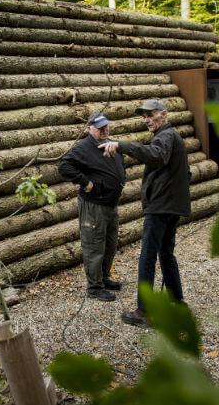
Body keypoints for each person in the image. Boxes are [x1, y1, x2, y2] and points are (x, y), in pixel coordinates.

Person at [99, 99, 190, 327]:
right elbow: (185, 172)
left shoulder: (166, 137)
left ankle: (144, 312)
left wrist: (121, 145)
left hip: (161, 207)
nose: (147, 120)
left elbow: (155, 155)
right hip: (169, 205)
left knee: (148, 256)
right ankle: (177, 302)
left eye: (151, 115)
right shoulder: (170, 137)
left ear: (164, 115)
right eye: (144, 116)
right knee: (166, 254)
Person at [58, 112, 126, 302]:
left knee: (110, 244)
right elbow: (64, 166)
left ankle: (104, 278)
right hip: (94, 205)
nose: (105, 130)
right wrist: (86, 182)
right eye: (100, 128)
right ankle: (94, 287)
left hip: (111, 203)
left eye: (106, 127)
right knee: (94, 246)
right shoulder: (83, 147)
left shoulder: (110, 143)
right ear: (90, 129)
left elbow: (120, 163)